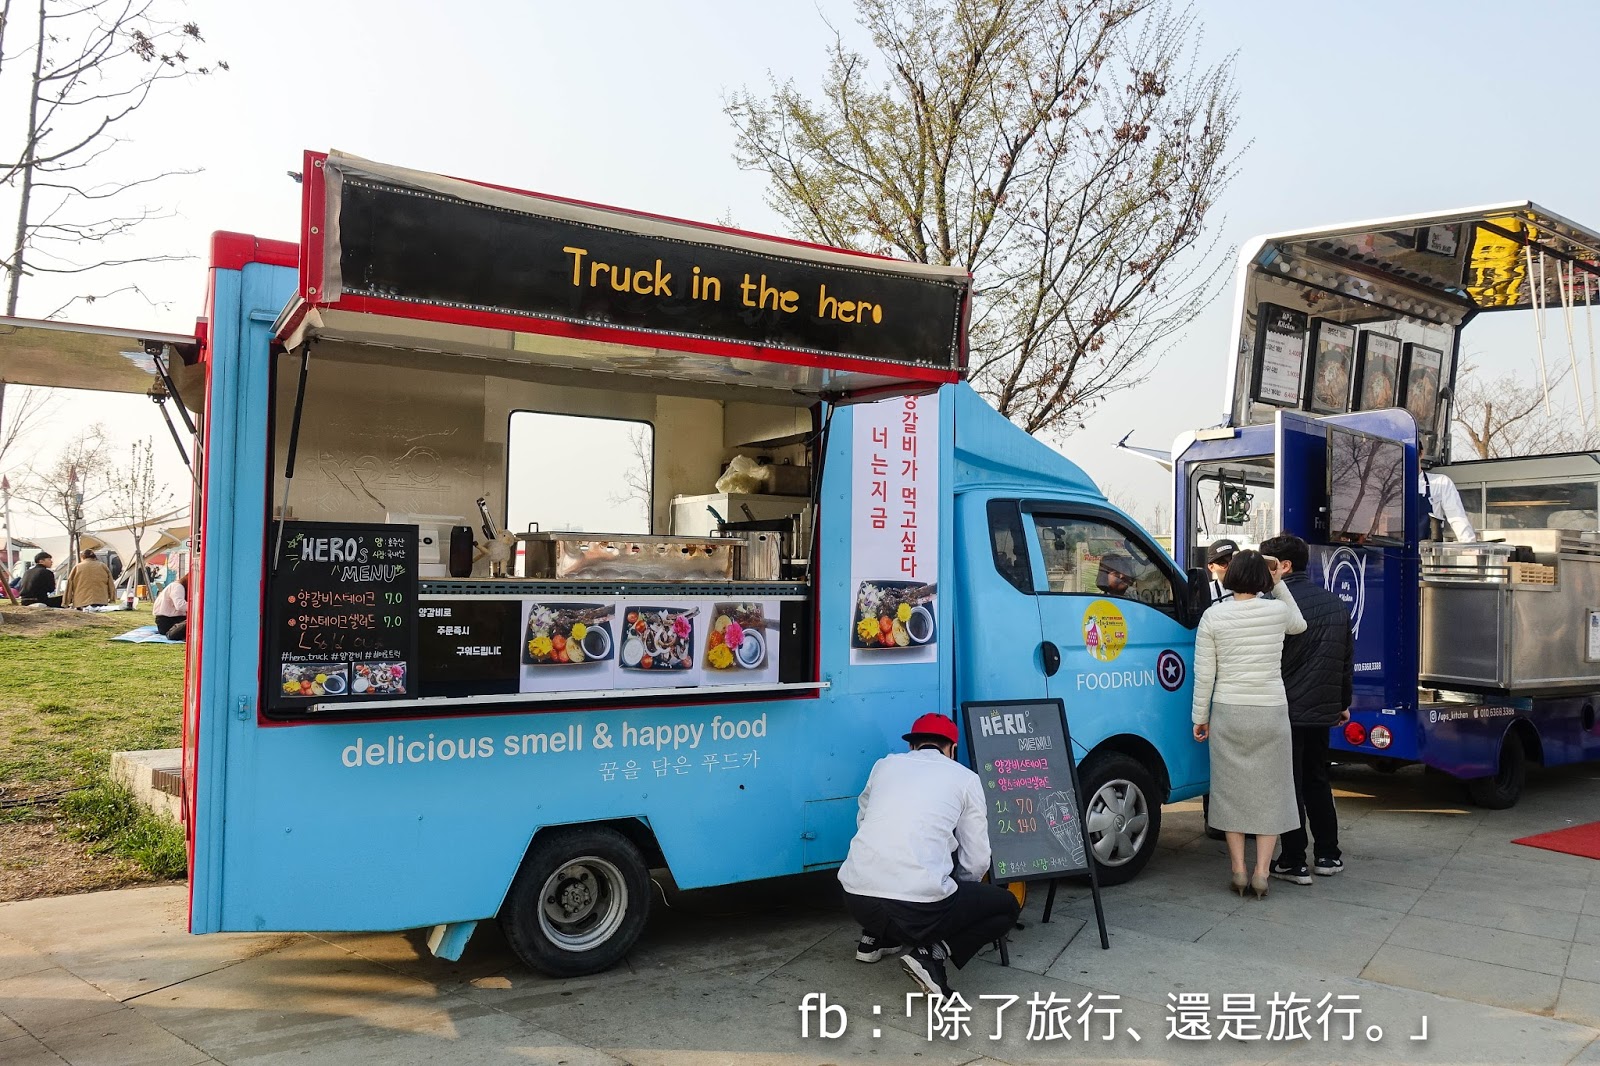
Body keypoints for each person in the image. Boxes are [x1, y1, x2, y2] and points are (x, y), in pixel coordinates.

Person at [837, 712, 1019, 998]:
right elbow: (977, 858)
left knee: (891, 866)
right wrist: (959, 893)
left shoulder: (884, 765)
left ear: (912, 745)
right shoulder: (966, 778)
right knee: (1006, 905)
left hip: (856, 899)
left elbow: (864, 819)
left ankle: (874, 938)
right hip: (917, 908)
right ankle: (931, 955)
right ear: (952, 748)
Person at [1191, 549, 1306, 899]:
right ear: (1262, 578)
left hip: (1229, 710)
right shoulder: (1276, 611)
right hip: (1270, 710)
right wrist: (1278, 581)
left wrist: (1200, 717)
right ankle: (1262, 874)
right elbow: (1299, 625)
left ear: (1229, 576)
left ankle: (1239, 870)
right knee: (1272, 793)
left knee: (1231, 792)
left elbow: (1204, 674)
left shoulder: (1213, 616)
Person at [1257, 534, 1353, 885]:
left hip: (1285, 708)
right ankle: (1328, 854)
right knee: (1317, 778)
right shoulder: (1335, 603)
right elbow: (1345, 660)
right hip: (1321, 710)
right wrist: (1342, 704)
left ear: (1284, 566)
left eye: (1266, 563)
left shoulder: (1272, 604)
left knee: (1288, 784)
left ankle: (1293, 859)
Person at [1419, 468, 1478, 542]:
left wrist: (1468, 544)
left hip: (1430, 548)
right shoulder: (1403, 486)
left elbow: (1456, 516)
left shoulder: (1441, 482)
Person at [152, 572, 189, 641]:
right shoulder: (178, 587)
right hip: (167, 620)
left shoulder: (177, 586)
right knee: (191, 623)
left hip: (170, 619)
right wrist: (197, 607)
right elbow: (180, 605)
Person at [1204, 539, 1239, 607]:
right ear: (1211, 567)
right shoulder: (1207, 593)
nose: (1230, 567)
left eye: (1234, 561)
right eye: (1223, 563)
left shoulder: (1256, 592)